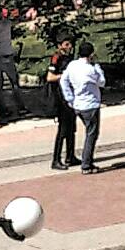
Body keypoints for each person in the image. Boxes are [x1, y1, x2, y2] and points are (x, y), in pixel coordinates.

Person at [59, 38, 108, 172]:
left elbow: (63, 80)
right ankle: (87, 164)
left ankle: (85, 161)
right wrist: (98, 68)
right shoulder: (91, 69)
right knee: (92, 134)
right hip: (90, 104)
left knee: (88, 131)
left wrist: (70, 98)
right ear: (91, 54)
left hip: (78, 104)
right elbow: (102, 82)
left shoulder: (72, 65)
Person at [45, 40, 79, 170]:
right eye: (66, 44)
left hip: (70, 96)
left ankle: (70, 156)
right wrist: (64, 76)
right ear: (60, 46)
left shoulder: (70, 58)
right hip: (60, 98)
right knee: (63, 129)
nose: (69, 47)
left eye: (70, 44)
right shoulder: (56, 58)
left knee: (72, 127)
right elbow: (50, 77)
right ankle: (56, 159)